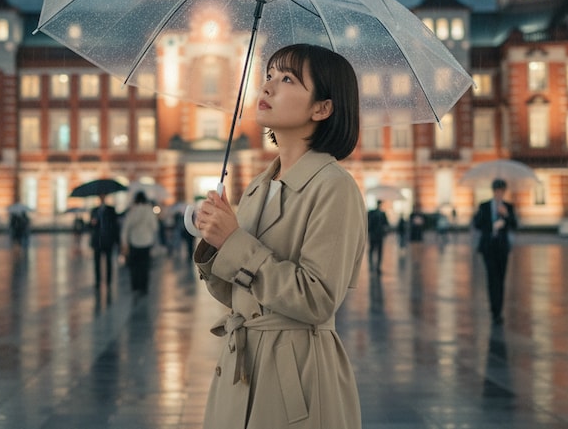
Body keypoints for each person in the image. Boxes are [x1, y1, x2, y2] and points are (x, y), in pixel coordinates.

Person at [192, 44, 365, 428]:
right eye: (269, 75)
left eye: (287, 79)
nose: (267, 87)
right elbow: (238, 294)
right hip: (241, 367)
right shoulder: (259, 186)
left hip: (296, 376)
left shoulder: (334, 188)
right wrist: (213, 242)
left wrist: (236, 243)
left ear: (322, 108)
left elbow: (317, 297)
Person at [473, 178, 518, 325]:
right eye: (497, 191)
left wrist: (505, 215)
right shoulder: (484, 206)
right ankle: (494, 310)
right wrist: (491, 224)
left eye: (502, 191)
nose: (500, 193)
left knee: (501, 279)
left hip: (502, 248)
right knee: (492, 279)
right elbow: (477, 224)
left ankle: (499, 310)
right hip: (488, 247)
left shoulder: (508, 207)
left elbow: (514, 224)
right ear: (494, 191)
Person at [121, 191, 159, 295]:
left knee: (134, 266)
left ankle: (135, 286)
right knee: (145, 266)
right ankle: (144, 287)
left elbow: (125, 229)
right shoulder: (149, 211)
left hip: (134, 241)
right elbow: (155, 227)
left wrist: (124, 243)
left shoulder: (132, 211)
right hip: (146, 241)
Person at [89, 194, 120, 291]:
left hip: (108, 240)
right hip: (97, 240)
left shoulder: (111, 210)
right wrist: (92, 223)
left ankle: (108, 281)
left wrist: (116, 240)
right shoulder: (94, 210)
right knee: (97, 262)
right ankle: (98, 281)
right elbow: (90, 226)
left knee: (109, 261)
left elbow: (115, 225)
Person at [367, 199, 389, 273]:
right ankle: (375, 266)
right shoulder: (376, 213)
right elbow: (386, 224)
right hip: (376, 235)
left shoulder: (374, 213)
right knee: (375, 251)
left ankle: (375, 266)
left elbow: (385, 224)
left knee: (374, 251)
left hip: (376, 235)